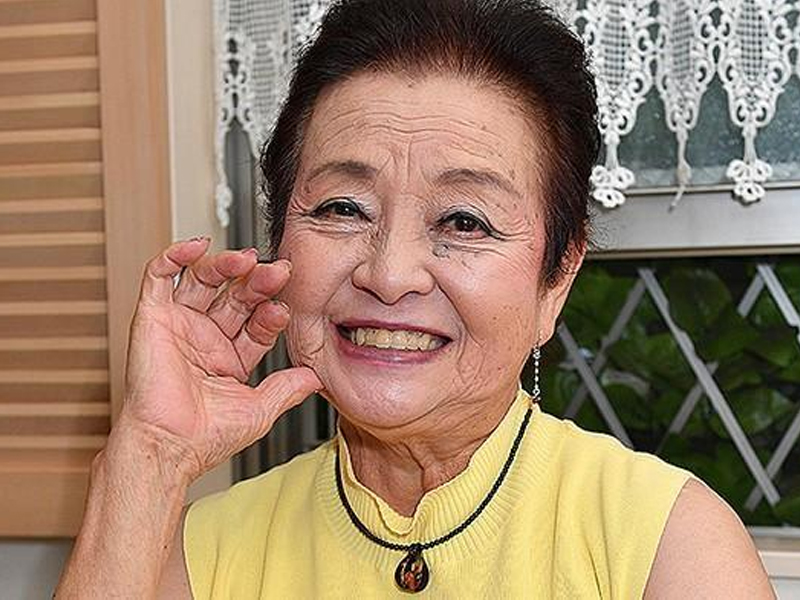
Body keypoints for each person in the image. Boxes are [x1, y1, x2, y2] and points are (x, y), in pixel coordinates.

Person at [56, 0, 775, 598]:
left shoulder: (667, 543)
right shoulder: (201, 553)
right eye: (343, 208)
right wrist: (150, 455)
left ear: (555, 280)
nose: (390, 273)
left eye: (464, 221)